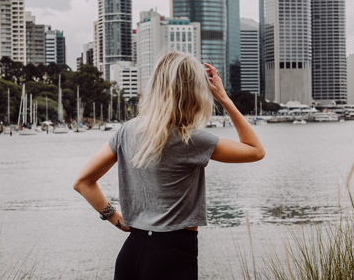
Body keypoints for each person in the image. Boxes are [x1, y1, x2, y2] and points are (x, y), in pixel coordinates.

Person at [73, 51, 265, 279]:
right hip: (172, 256)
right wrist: (224, 98)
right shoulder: (191, 139)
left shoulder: (127, 131)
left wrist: (116, 219)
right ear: (194, 93)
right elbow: (255, 151)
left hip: (131, 252)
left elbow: (83, 182)